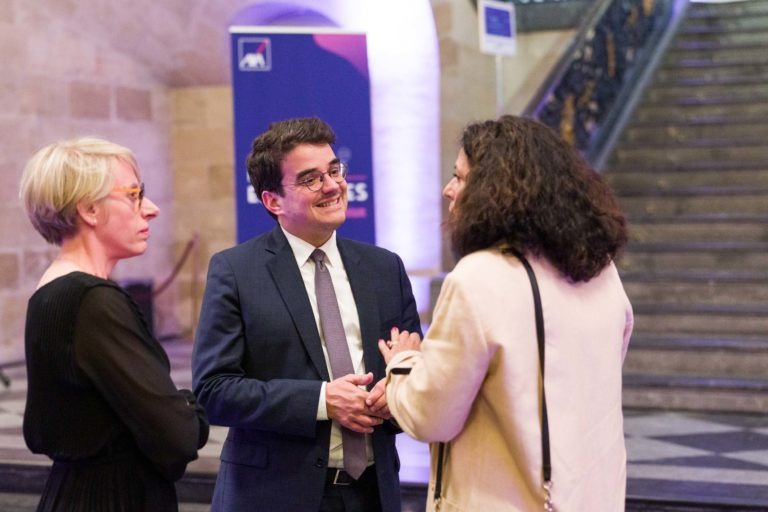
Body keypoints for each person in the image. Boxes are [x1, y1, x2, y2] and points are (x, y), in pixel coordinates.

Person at [379, 115, 634, 511]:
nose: (448, 190)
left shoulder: (479, 278)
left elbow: (432, 417)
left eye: (460, 177)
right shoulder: (601, 272)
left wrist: (402, 365)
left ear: (494, 190)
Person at [192, 117, 422, 512]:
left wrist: (396, 394)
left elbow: (418, 370)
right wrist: (321, 401)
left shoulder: (386, 269)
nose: (332, 186)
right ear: (273, 201)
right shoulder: (236, 271)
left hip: (372, 495)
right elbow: (214, 391)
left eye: (334, 171)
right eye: (311, 178)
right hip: (272, 495)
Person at [19, 137, 209, 512]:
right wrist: (191, 408)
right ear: (90, 209)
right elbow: (178, 435)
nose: (151, 209)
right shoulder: (93, 301)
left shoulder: (53, 290)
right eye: (135, 195)